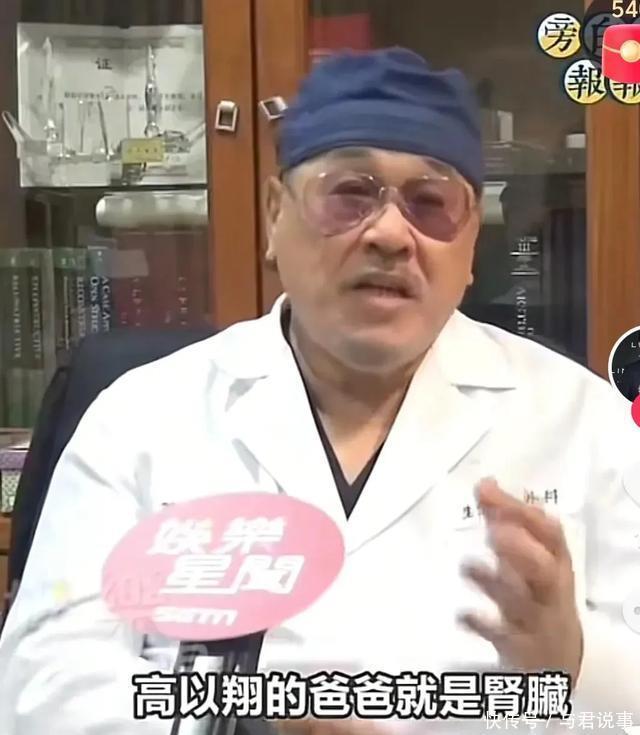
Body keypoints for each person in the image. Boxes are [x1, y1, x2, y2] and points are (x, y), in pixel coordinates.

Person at [0, 46, 639, 735]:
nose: (391, 234)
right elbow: (42, 686)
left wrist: (575, 657)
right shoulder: (142, 417)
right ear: (275, 214)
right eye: (350, 194)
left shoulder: (583, 422)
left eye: (431, 204)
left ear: (470, 247)